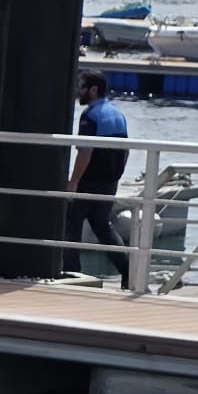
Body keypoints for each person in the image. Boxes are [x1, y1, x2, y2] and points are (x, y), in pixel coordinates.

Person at [65, 69, 132, 288]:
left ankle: (71, 272)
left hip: (89, 180)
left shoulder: (90, 116)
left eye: (82, 87)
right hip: (109, 182)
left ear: (93, 90)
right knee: (102, 226)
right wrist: (117, 176)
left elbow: (85, 152)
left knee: (71, 224)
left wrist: (73, 182)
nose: (79, 91)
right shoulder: (118, 114)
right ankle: (128, 271)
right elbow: (126, 151)